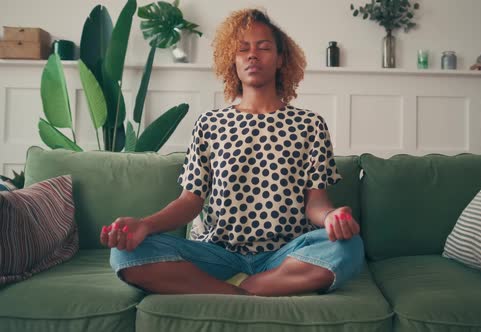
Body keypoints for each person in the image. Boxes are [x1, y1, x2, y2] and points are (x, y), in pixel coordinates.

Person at [102, 8, 364, 297]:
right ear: (234, 61)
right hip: (216, 253)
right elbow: (190, 202)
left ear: (280, 60)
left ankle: (252, 285)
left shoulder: (309, 124)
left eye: (264, 48)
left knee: (349, 246)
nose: (253, 55)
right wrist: (143, 226)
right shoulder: (210, 123)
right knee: (124, 254)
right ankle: (237, 292)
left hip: (285, 254)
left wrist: (331, 217)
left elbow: (315, 204)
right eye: (243, 49)